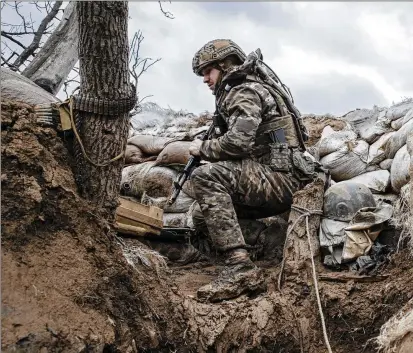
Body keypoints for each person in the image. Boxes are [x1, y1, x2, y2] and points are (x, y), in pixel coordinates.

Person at [189, 39, 309, 303]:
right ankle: (268, 242)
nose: (205, 79)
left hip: (282, 178)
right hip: (275, 176)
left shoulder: (242, 91)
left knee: (206, 177)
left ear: (224, 65)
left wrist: (202, 148)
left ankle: (239, 269)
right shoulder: (248, 88)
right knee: (201, 214)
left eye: (208, 72)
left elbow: (238, 143)